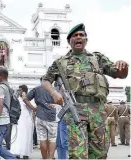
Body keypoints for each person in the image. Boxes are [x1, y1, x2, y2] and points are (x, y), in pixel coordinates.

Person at [42, 23, 128, 159]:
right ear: (69, 41)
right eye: (75, 35)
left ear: (86, 40)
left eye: (81, 35)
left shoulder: (97, 58)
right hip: (76, 112)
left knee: (100, 154)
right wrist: (54, 93)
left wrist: (123, 67)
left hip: (98, 112)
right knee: (78, 155)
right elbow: (46, 80)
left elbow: (119, 74)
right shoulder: (61, 62)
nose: (78, 37)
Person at [23, 77, 57, 159]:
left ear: (41, 81)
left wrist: (33, 108)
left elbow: (25, 99)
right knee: (52, 139)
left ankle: (44, 158)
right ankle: (50, 158)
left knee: (42, 139)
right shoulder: (54, 90)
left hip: (39, 116)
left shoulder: (36, 89)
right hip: (51, 117)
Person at [10, 85, 34, 159]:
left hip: (27, 121)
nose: (18, 91)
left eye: (20, 90)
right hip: (18, 120)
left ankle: (25, 153)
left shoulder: (30, 99)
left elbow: (33, 108)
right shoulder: (16, 99)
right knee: (17, 136)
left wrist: (25, 99)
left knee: (26, 137)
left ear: (24, 91)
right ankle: (16, 152)